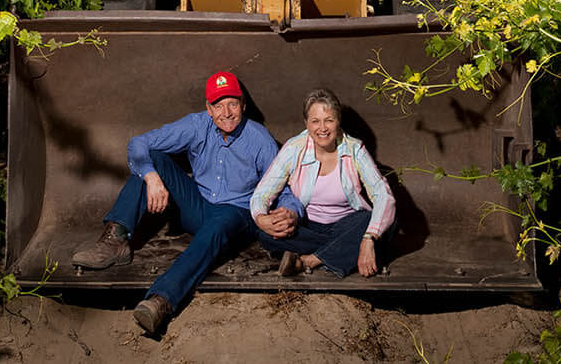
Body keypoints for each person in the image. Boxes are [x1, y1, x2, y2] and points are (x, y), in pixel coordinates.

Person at [71, 71, 301, 336]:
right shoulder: (196, 124)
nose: (226, 112)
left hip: (236, 214)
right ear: (208, 108)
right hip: (199, 204)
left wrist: (291, 212)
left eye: (233, 104)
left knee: (218, 226)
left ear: (243, 105)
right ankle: (116, 239)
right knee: (152, 159)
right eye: (218, 105)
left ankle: (161, 300)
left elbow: (286, 187)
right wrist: (151, 177)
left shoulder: (259, 139)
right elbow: (139, 144)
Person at [249, 88, 395, 278]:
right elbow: (262, 193)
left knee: (385, 222)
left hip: (348, 225)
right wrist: (262, 219)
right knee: (266, 234)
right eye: (315, 121)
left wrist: (368, 238)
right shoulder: (294, 148)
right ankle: (344, 251)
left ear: (338, 121)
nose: (322, 128)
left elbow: (382, 194)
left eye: (329, 120)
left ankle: (308, 261)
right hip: (310, 227)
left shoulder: (355, 149)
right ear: (306, 123)